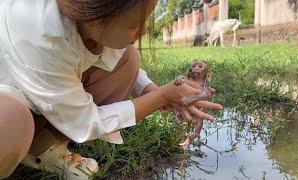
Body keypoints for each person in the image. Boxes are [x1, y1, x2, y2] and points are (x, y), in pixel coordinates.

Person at [0, 0, 223, 179]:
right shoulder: (35, 31)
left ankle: (43, 148)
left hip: (41, 84)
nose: (143, 32)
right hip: (7, 94)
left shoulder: (83, 21)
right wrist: (161, 96)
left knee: (129, 59)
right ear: (94, 16)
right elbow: (87, 123)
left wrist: (150, 90)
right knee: (10, 123)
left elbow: (121, 60)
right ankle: (24, 143)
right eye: (134, 25)